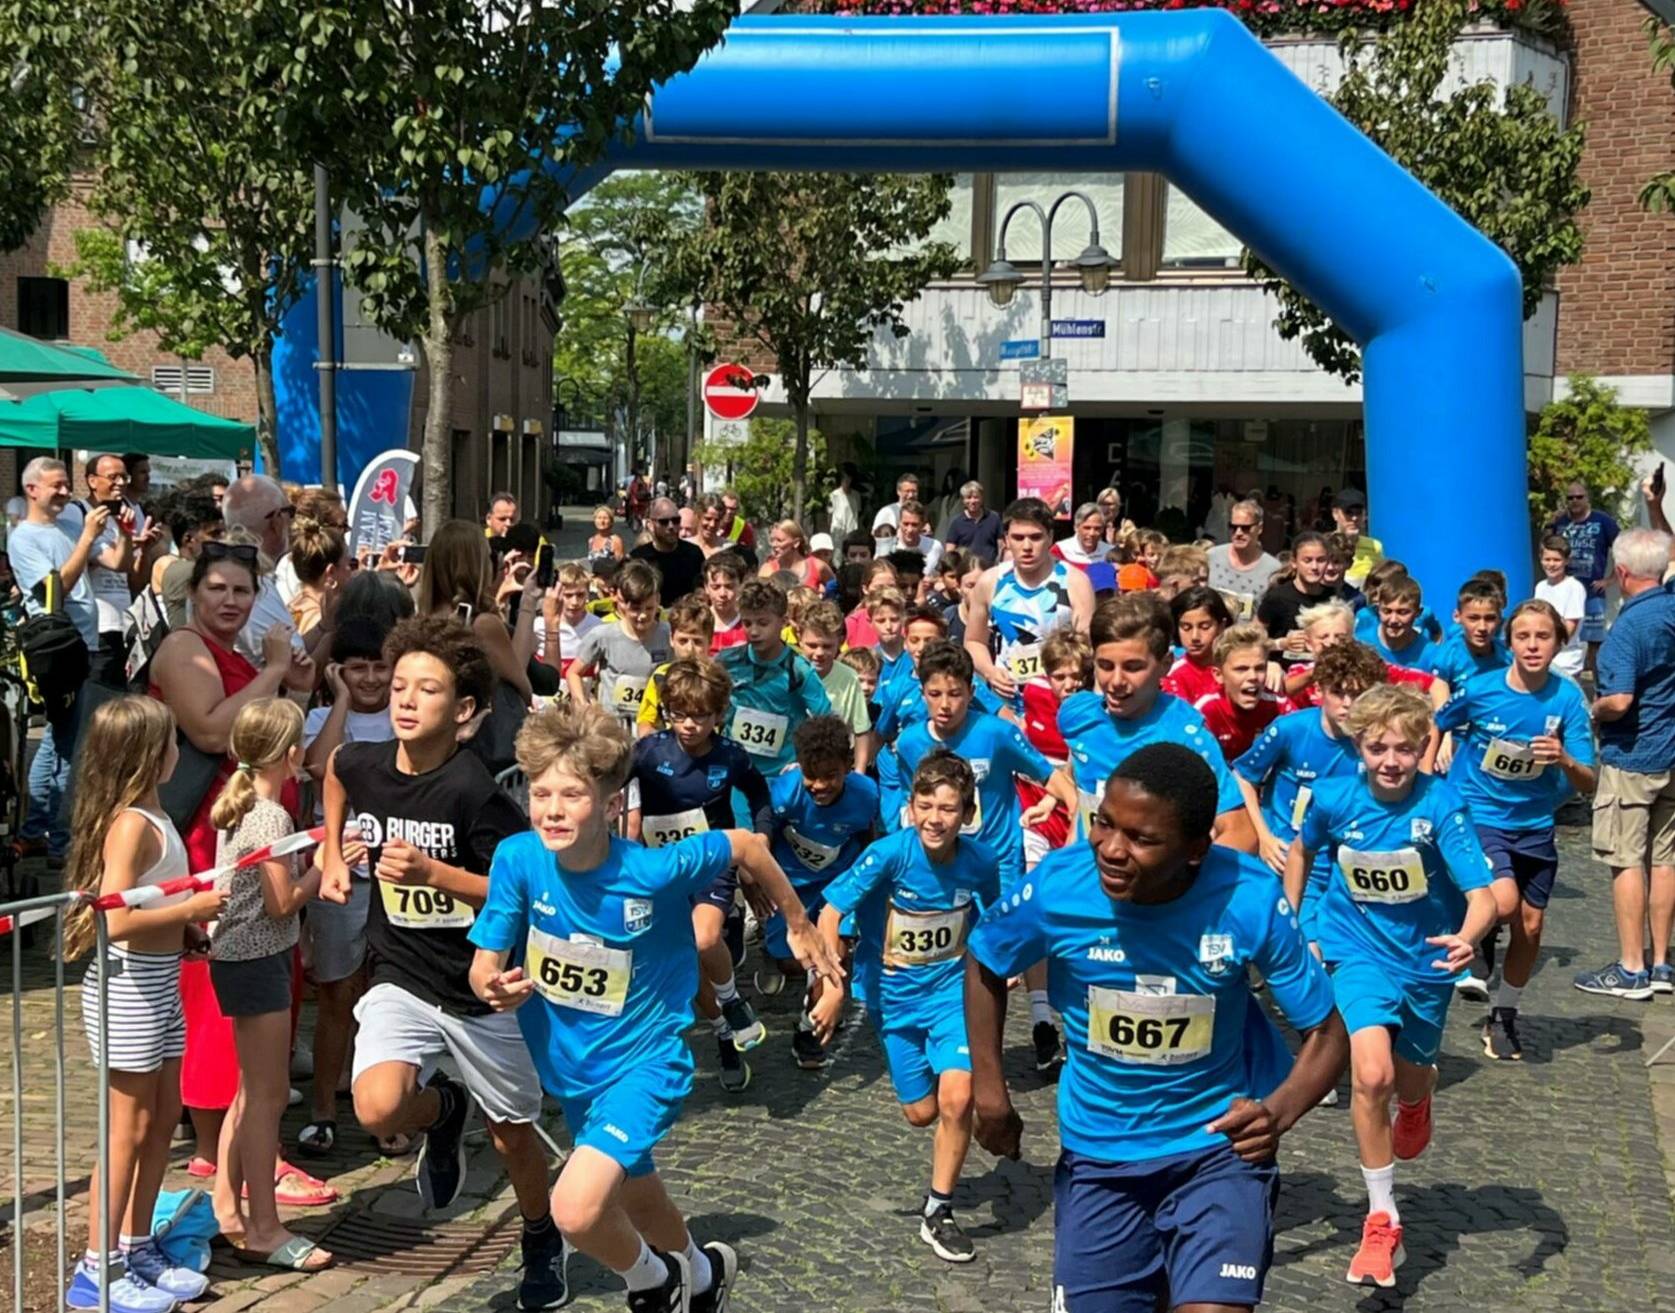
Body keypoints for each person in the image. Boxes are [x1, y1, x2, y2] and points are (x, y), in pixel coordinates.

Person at [468, 701, 841, 1313]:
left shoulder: (652, 871)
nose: (552, 811)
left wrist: (799, 921)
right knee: (639, 1196)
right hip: (571, 1070)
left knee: (577, 1208)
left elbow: (746, 845)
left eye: (571, 794)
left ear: (612, 802)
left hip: (646, 1062)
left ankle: (652, 1281)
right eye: (540, 794)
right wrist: (491, 983)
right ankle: (701, 1271)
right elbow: (487, 957)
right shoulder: (518, 859)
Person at [966, 744, 1348, 1313]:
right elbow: (986, 961)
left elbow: (1327, 1030)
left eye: (1142, 839)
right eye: (1104, 824)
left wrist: (1278, 1112)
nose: (1112, 850)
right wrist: (990, 1090)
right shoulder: (1060, 885)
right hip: (1100, 1155)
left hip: (1216, 1152)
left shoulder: (1249, 897)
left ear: (1197, 849)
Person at [319, 617, 567, 1308]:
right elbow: (333, 772)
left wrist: (436, 872)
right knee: (376, 1106)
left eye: (426, 690)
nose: (404, 699)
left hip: (479, 986)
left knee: (514, 1132)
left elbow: (526, 884)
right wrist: (333, 852)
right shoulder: (366, 762)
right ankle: (441, 1109)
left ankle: (541, 1234)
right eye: (399, 686)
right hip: (400, 969)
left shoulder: (474, 792)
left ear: (462, 713)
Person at [1290, 686, 1498, 1288]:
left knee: (1406, 1077)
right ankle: (1382, 1218)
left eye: (1404, 749)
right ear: (1358, 745)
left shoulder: (1442, 805)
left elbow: (1482, 895)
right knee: (1370, 1075)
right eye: (1377, 747)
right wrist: (1299, 923)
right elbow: (1305, 853)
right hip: (1355, 953)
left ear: (1421, 749)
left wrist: (1467, 936)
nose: (1390, 760)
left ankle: (1420, 1095)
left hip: (1426, 964)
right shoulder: (1331, 796)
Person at [62, 697, 227, 1313]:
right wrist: (192, 910)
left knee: (160, 1117)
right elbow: (116, 916)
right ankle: (95, 1268)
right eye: (170, 743)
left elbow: (147, 902)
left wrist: (184, 933)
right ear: (146, 754)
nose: (178, 752)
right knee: (126, 1129)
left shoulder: (155, 814)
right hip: (128, 986)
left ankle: (134, 1243)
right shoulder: (131, 823)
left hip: (160, 980)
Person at [819, 752, 998, 1263]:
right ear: (911, 808)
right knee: (921, 1113)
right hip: (891, 1000)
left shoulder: (981, 861)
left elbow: (994, 918)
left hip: (951, 997)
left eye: (948, 808)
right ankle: (948, 1127)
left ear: (966, 813)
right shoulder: (887, 856)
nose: (935, 818)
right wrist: (833, 983)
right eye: (926, 806)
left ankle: (938, 1211)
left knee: (957, 1098)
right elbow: (831, 913)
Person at [1435, 600, 1595, 1059]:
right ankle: (1479, 934)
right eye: (1523, 636)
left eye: (1542, 637)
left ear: (1558, 644)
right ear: (1510, 643)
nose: (1532, 645)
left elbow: (1589, 778)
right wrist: (1431, 773)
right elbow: (1437, 722)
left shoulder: (1566, 700)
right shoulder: (1482, 689)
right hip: (1480, 813)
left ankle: (1504, 1014)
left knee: (1531, 924)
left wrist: (1562, 759)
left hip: (1535, 823)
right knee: (1503, 901)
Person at [206, 699, 332, 1271]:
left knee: (249, 1091)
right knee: (268, 1095)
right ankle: (263, 1225)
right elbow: (281, 903)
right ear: (290, 753)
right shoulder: (270, 815)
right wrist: (324, 866)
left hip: (247, 957)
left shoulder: (239, 805)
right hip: (256, 960)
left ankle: (228, 1208)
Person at [626, 657, 771, 1093]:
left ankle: (730, 1000)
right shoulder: (648, 754)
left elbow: (760, 795)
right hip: (661, 870)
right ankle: (725, 1030)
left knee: (706, 939)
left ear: (719, 714)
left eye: (700, 716)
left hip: (711, 864)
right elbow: (612, 787)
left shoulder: (730, 756)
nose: (688, 725)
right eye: (679, 715)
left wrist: (759, 843)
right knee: (685, 965)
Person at [297, 619, 395, 1153]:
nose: (372, 679)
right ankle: (323, 1108)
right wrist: (337, 701)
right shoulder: (319, 716)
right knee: (337, 993)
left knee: (391, 995)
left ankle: (385, 1107)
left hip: (395, 877)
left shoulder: (404, 717)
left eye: (381, 667)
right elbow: (318, 765)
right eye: (359, 668)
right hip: (341, 876)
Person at [1056, 595, 1257, 852]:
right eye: (1105, 666)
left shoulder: (1187, 738)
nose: (1116, 681)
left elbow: (1242, 834)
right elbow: (1086, 791)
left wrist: (1180, 884)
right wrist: (1070, 854)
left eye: (1133, 667)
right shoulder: (1075, 715)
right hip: (1087, 878)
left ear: (1165, 665)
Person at [1237, 640, 1388, 958]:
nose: (1348, 704)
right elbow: (1243, 777)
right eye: (1339, 692)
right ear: (1319, 690)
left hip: (1348, 865)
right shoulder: (1290, 729)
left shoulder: (1378, 742)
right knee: (1311, 953)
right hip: (1292, 857)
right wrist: (1263, 836)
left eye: (1358, 694)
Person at [1574, 528, 1675, 999]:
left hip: (1634, 756)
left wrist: (1592, 710)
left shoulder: (1628, 628)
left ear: (1621, 573)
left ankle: (1631, 967)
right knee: (1666, 859)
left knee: (1626, 860)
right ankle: (1661, 963)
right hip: (1673, 754)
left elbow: (1618, 699)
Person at [895, 641, 1075, 892]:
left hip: (999, 863)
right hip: (943, 864)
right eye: (935, 694)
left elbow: (1051, 777)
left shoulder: (998, 733)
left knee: (1001, 931)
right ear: (922, 692)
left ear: (971, 692)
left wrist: (1075, 824)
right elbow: (910, 800)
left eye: (955, 694)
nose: (945, 704)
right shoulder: (909, 743)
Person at [756, 715, 878, 1064]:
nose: (820, 785)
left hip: (838, 883)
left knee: (832, 953)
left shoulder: (866, 794)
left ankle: (811, 1026)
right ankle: (783, 961)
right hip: (790, 886)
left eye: (831, 776)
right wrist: (760, 885)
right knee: (792, 960)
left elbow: (867, 839)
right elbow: (764, 839)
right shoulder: (783, 792)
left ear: (847, 768)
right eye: (812, 776)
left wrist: (863, 890)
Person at [12, 457, 108, 861]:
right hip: (57, 651)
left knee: (55, 739)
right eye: (57, 485)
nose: (66, 493)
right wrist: (86, 539)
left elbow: (114, 563)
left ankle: (36, 830)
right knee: (71, 745)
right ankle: (63, 840)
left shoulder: (71, 524)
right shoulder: (24, 539)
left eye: (68, 485)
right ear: (32, 490)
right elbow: (56, 589)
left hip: (85, 643)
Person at [963, 498, 1095, 713]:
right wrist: (989, 672)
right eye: (1018, 538)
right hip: (1006, 699)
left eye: (1035, 537)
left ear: (1050, 537)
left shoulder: (1074, 581)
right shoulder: (990, 581)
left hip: (1058, 702)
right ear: (1006, 539)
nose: (1026, 547)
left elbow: (1085, 646)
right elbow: (974, 641)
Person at [716, 579, 832, 776]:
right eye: (747, 623)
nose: (753, 631)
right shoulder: (726, 662)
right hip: (735, 772)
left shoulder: (799, 670)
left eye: (763, 623)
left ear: (783, 621)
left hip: (782, 776)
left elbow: (827, 723)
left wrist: (805, 763)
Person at [416, 519, 537, 705]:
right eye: (489, 557)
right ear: (476, 565)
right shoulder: (482, 624)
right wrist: (528, 602)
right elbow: (521, 685)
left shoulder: (420, 620)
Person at [63, 453, 151, 686]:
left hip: (123, 622)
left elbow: (125, 569)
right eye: (113, 477)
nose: (121, 483)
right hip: (95, 626)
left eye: (124, 477)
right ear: (92, 480)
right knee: (93, 703)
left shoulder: (127, 513)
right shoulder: (77, 512)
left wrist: (136, 543)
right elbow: (110, 561)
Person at [568, 561, 671, 726]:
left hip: (653, 726)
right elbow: (573, 672)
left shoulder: (669, 635)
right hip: (613, 727)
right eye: (636, 609)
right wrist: (582, 704)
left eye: (649, 608)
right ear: (623, 604)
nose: (642, 616)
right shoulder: (603, 634)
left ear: (658, 600)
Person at [1548, 481, 1620, 676]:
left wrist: (1611, 579)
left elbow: (1622, 550)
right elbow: (1547, 548)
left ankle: (1598, 689)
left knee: (1595, 644)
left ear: (1587, 498)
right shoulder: (1560, 522)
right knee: (1564, 639)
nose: (1575, 501)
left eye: (1579, 497)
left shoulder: (1603, 521)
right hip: (1565, 591)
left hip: (1592, 593)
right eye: (1570, 498)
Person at [1192, 623, 1292, 762]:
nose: (1253, 677)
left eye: (1259, 668)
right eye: (1241, 669)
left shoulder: (1277, 704)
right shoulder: (1204, 712)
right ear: (1218, 675)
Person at [796, 600, 873, 772]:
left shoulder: (849, 677)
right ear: (799, 637)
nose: (819, 653)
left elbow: (861, 730)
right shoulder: (789, 672)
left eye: (827, 646)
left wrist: (859, 772)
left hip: (834, 765)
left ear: (840, 641)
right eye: (812, 645)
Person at [1257, 531, 1332, 651]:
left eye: (1320, 560)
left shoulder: (1334, 598)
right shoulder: (1277, 598)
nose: (1314, 567)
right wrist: (1282, 643)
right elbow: (1253, 640)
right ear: (1294, 562)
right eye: (1307, 561)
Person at [1207, 499, 1281, 619]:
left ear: (1260, 528)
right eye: (1233, 527)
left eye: (1245, 528)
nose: (1238, 533)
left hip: (1249, 635)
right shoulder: (1211, 557)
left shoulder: (1273, 569)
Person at [1161, 585, 1234, 706]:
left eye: (1205, 627)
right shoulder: (1174, 676)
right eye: (1186, 627)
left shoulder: (1239, 665)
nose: (1195, 637)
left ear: (1222, 626)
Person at [631, 497, 706, 606]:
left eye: (676, 520)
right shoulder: (638, 558)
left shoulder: (694, 553)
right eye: (664, 522)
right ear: (650, 525)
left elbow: (702, 589)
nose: (671, 526)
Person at [286, 517, 349, 637]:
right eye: (349, 564)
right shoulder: (320, 622)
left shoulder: (291, 606)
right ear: (331, 572)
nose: (352, 571)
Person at [1535, 535, 1587, 679]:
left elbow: (1569, 628)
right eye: (1547, 559)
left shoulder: (1574, 587)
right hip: (1543, 657)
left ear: (1566, 561)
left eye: (1556, 560)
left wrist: (1550, 651)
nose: (1551, 564)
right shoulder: (1540, 587)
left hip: (1566, 661)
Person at [758, 519, 835, 591]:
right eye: (772, 540)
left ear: (796, 543)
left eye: (779, 540)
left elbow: (836, 592)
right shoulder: (768, 570)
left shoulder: (817, 567)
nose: (774, 545)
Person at [1332, 489, 1383, 588]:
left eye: (1359, 512)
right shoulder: (1322, 544)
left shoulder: (1375, 546)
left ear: (1365, 515)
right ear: (1335, 514)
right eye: (1348, 512)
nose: (1354, 518)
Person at [944, 480, 1001, 565]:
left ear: (982, 498)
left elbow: (1001, 546)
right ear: (963, 500)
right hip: (965, 569)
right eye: (969, 497)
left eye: (976, 497)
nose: (972, 501)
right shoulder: (957, 522)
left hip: (989, 569)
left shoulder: (994, 518)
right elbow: (950, 550)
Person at [702, 554, 747, 652]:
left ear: (741, 586)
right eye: (716, 587)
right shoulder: (697, 623)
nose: (722, 594)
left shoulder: (749, 625)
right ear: (706, 587)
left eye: (729, 586)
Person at [1053, 503, 1113, 570]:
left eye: (1097, 528)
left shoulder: (1111, 553)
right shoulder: (1059, 551)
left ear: (1102, 529)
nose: (1092, 533)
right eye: (1087, 528)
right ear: (1076, 527)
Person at [891, 501, 944, 573]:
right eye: (906, 524)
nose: (909, 530)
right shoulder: (891, 548)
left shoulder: (935, 546)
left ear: (922, 525)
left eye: (914, 525)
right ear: (899, 523)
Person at [871, 471, 922, 543]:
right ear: (898, 491)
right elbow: (875, 537)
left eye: (914, 491)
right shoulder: (887, 512)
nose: (911, 495)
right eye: (907, 491)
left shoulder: (921, 511)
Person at [829, 463, 863, 540]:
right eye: (844, 477)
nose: (847, 480)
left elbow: (858, 514)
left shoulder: (856, 495)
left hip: (852, 532)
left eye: (849, 477)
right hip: (838, 531)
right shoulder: (833, 495)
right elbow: (829, 515)